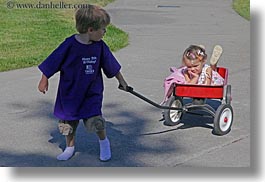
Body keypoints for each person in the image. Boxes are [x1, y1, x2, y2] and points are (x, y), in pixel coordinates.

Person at [37, 5, 128, 162]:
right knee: (68, 122)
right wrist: (44, 78)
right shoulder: (70, 44)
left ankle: (104, 143)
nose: (105, 32)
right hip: (70, 92)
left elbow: (111, 64)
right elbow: (54, 60)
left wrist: (122, 81)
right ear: (90, 30)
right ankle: (70, 147)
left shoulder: (100, 47)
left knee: (96, 120)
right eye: (103, 29)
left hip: (91, 93)